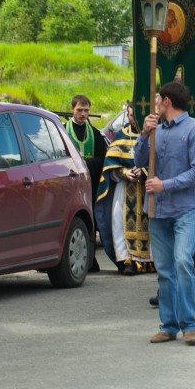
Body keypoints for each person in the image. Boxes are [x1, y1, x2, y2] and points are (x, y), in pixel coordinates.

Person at [133, 82, 195, 345]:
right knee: (164, 269)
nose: (155, 105)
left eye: (158, 100)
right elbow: (139, 161)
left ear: (166, 102)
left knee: (183, 262)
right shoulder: (156, 130)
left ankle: (190, 325)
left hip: (184, 209)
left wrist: (165, 184)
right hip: (157, 210)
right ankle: (168, 326)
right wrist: (144, 134)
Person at [95, 103, 153, 275]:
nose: (133, 119)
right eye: (130, 115)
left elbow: (160, 161)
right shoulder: (121, 136)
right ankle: (127, 260)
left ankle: (149, 261)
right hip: (124, 187)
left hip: (147, 188)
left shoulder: (154, 135)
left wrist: (143, 172)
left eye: (136, 115)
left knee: (149, 223)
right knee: (119, 220)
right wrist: (124, 172)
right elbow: (110, 164)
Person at [65, 94, 109, 270]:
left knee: (89, 220)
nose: (83, 114)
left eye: (86, 111)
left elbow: (103, 158)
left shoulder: (96, 135)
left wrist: (86, 164)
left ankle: (89, 258)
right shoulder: (62, 131)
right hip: (68, 185)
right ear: (72, 109)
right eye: (79, 110)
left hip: (90, 186)